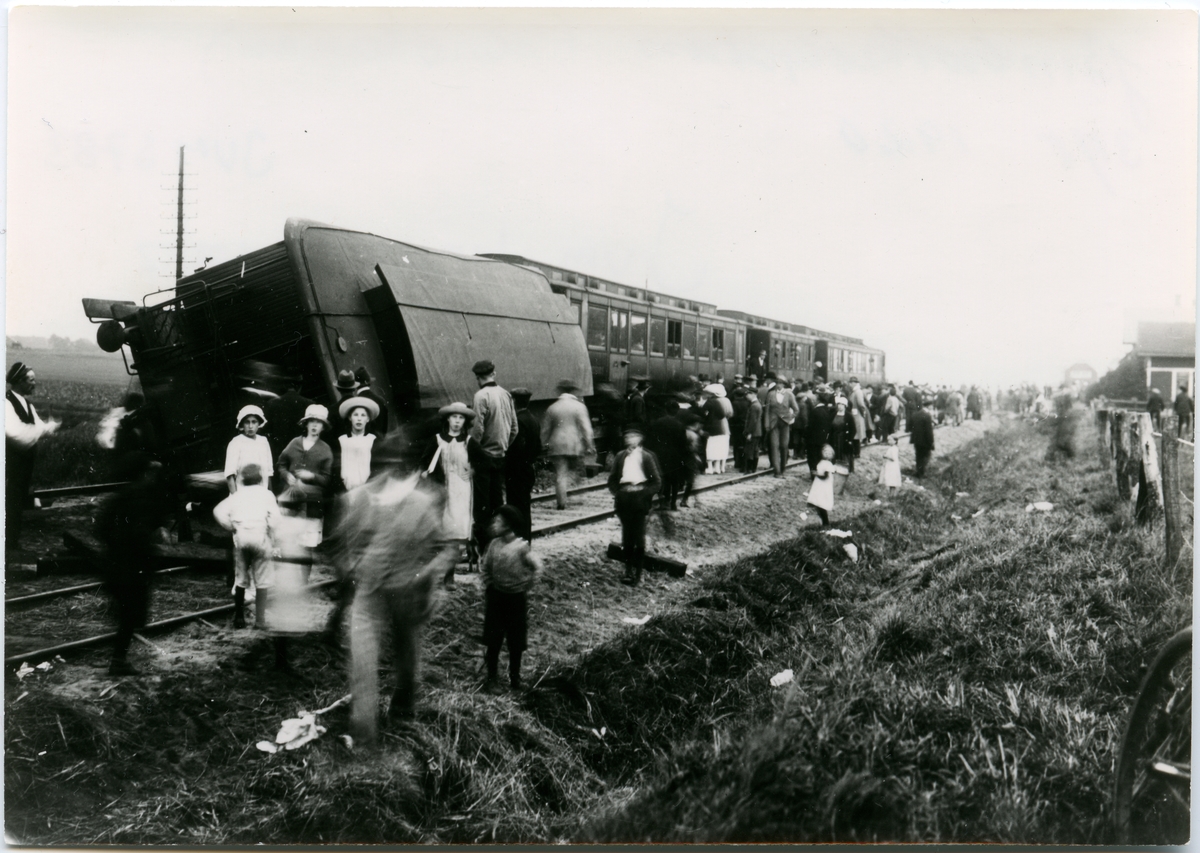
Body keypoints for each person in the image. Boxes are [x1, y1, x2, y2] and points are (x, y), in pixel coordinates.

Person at [331, 431, 455, 747]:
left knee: (406, 655)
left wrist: (424, 577)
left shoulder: (421, 502)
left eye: (397, 464)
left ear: (406, 467)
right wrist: (352, 567)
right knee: (363, 660)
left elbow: (443, 548)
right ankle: (364, 733)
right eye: (384, 464)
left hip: (407, 594)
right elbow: (343, 542)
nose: (390, 471)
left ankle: (403, 711)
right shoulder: (360, 498)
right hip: (369, 593)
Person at [96, 453, 168, 676]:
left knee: (127, 613)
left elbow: (100, 529)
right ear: (144, 474)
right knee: (130, 616)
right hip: (133, 566)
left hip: (114, 564)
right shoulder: (144, 498)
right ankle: (118, 661)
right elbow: (143, 533)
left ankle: (119, 658)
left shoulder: (118, 497)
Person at [480, 505, 543, 693]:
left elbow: (537, 567)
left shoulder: (521, 547)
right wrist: (490, 585)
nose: (494, 525)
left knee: (516, 642)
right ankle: (491, 679)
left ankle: (515, 678)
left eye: (498, 521)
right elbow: (485, 568)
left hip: (516, 600)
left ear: (508, 525)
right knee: (493, 640)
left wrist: (526, 586)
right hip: (496, 598)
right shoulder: (493, 545)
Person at [213, 464, 280, 631]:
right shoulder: (267, 494)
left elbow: (218, 511)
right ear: (260, 478)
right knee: (262, 579)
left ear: (242, 479)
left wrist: (231, 526)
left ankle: (239, 618)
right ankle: (260, 621)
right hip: (260, 538)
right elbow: (275, 519)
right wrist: (271, 531)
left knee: (241, 579)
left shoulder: (237, 495)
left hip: (242, 538)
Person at [424, 402, 486, 572]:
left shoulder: (468, 442)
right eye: (454, 417)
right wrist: (427, 473)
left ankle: (467, 552)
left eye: (461, 418)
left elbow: (485, 461)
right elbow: (425, 460)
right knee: (445, 520)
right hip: (443, 486)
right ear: (448, 419)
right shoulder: (438, 439)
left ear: (465, 422)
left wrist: (473, 470)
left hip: (462, 487)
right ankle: (447, 558)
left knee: (461, 520)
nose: (457, 421)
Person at [5, 362, 60, 555]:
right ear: (19, 382)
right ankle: (9, 546)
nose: (34, 384)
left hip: (22, 465)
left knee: (16, 502)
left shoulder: (27, 404)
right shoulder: (6, 403)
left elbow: (39, 427)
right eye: (31, 380)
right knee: (11, 503)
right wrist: (42, 430)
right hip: (11, 464)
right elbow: (16, 433)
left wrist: (53, 427)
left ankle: (12, 543)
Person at [470, 360, 519, 550]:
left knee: (482, 505)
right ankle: (498, 544)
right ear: (494, 374)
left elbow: (477, 430)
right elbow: (514, 429)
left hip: (484, 457)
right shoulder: (506, 394)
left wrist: (474, 453)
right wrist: (503, 446)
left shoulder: (481, 396)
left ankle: (484, 548)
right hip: (500, 456)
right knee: (498, 503)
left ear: (478, 378)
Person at [608, 423, 663, 586]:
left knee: (638, 536)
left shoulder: (646, 457)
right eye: (627, 437)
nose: (629, 439)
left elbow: (656, 482)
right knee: (627, 536)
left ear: (640, 439)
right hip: (624, 499)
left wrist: (644, 494)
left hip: (639, 499)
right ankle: (628, 571)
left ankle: (638, 573)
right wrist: (618, 493)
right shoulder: (620, 456)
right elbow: (612, 479)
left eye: (633, 436)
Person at [276, 404, 333, 550]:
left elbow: (327, 480)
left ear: (323, 427)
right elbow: (281, 464)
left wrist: (312, 476)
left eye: (319, 422)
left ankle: (306, 564)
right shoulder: (294, 443)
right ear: (306, 424)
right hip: (291, 500)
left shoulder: (325, 449)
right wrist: (286, 474)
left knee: (307, 545)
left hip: (312, 503)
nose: (314, 425)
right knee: (288, 543)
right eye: (311, 421)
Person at [540, 379, 595, 510]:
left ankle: (561, 502)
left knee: (561, 474)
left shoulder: (553, 407)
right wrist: (590, 445)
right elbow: (586, 428)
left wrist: (542, 444)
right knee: (577, 471)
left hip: (557, 444)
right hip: (574, 444)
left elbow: (545, 430)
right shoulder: (579, 407)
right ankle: (576, 497)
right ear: (573, 391)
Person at [504, 388, 541, 542]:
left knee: (515, 508)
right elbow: (538, 448)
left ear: (513, 401)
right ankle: (526, 540)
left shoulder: (518, 421)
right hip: (527, 469)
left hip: (516, 470)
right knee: (525, 507)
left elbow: (516, 448)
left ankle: (519, 540)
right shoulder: (533, 419)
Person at [224, 405, 274, 493]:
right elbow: (230, 475)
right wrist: (236, 498)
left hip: (262, 494)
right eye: (247, 422)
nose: (251, 426)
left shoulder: (263, 441)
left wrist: (270, 495)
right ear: (242, 424)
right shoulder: (236, 442)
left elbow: (269, 473)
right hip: (242, 495)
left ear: (259, 423)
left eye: (254, 422)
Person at [337, 396, 380, 491]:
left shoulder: (372, 440)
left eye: (363, 415)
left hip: (368, 488)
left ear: (368, 419)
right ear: (350, 418)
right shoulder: (342, 440)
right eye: (355, 415)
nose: (359, 419)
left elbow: (377, 467)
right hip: (346, 488)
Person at [762, 374, 800, 477]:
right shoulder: (770, 394)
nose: (778, 385)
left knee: (784, 446)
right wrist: (766, 424)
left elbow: (796, 410)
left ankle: (783, 468)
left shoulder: (789, 395)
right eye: (777, 383)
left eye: (780, 383)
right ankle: (777, 471)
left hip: (785, 424)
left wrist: (789, 417)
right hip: (773, 424)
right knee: (774, 446)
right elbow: (767, 411)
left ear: (784, 384)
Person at [263, 376, 313, 447]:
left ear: (284, 386)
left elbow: (266, 428)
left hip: (279, 447)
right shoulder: (309, 403)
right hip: (302, 446)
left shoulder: (271, 403)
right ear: (299, 387)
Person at [702, 384, 732, 474]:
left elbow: (703, 413)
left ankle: (710, 468)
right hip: (722, 428)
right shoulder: (722, 401)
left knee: (710, 448)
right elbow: (725, 414)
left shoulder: (709, 402)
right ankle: (718, 468)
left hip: (711, 428)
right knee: (719, 449)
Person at [353, 367, 390, 438]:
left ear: (355, 385)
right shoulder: (380, 400)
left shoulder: (355, 403)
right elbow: (384, 427)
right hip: (381, 441)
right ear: (368, 382)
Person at [807, 444, 836, 528]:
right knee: (818, 501)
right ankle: (823, 521)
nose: (826, 454)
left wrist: (816, 474)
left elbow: (825, 476)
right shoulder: (822, 462)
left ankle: (825, 522)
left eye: (828, 453)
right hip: (819, 485)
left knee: (821, 502)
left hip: (823, 485)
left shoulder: (828, 464)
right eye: (824, 452)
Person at [909, 402, 935, 478]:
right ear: (929, 407)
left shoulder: (915, 414)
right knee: (926, 456)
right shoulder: (927, 416)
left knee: (918, 456)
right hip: (925, 440)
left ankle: (918, 472)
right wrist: (931, 442)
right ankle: (922, 473)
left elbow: (910, 427)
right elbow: (929, 431)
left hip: (916, 440)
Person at [742, 387, 763, 473]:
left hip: (753, 432)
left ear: (753, 394)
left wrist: (749, 432)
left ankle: (749, 469)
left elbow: (752, 421)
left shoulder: (754, 406)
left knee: (749, 451)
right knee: (755, 450)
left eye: (748, 394)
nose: (746, 396)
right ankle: (753, 468)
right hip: (757, 431)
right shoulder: (758, 404)